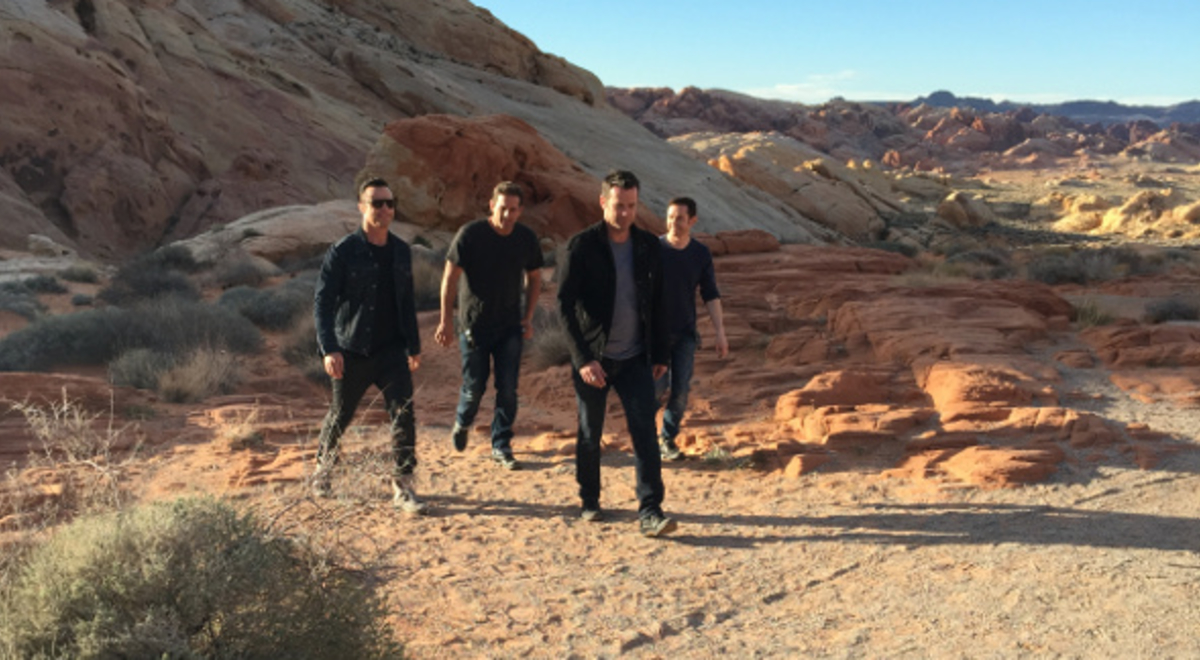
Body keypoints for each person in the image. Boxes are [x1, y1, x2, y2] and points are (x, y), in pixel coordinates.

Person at [558, 169, 676, 538]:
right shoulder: (581, 246)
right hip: (594, 359)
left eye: (631, 206)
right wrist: (582, 359)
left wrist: (661, 354)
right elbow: (563, 306)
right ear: (602, 202)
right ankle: (590, 500)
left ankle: (651, 509)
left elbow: (657, 302)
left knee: (644, 432)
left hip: (636, 358)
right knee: (591, 432)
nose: (624, 213)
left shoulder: (647, 246)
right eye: (618, 205)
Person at [312, 177, 426, 514]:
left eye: (390, 203)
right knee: (340, 415)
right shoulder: (343, 252)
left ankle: (403, 486)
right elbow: (323, 303)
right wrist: (329, 348)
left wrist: (414, 346)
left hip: (392, 352)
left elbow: (406, 303)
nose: (385, 209)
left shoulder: (402, 251)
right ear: (361, 207)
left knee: (403, 416)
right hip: (352, 350)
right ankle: (323, 469)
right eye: (377, 203)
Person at [435, 181, 544, 470]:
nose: (506, 214)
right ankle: (463, 421)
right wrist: (446, 320)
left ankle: (501, 444)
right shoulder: (470, 235)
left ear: (520, 211)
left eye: (512, 209)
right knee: (474, 388)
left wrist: (528, 316)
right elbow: (450, 279)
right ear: (491, 205)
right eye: (502, 208)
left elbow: (535, 277)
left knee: (508, 389)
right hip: (474, 325)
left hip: (510, 326)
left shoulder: (525, 238)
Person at [657, 197, 729, 461]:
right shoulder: (654, 249)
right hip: (655, 334)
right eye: (670, 217)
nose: (673, 223)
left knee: (681, 390)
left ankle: (666, 440)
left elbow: (710, 293)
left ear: (692, 221)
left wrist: (720, 332)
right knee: (655, 389)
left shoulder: (700, 254)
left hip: (685, 333)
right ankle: (645, 438)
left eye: (679, 218)